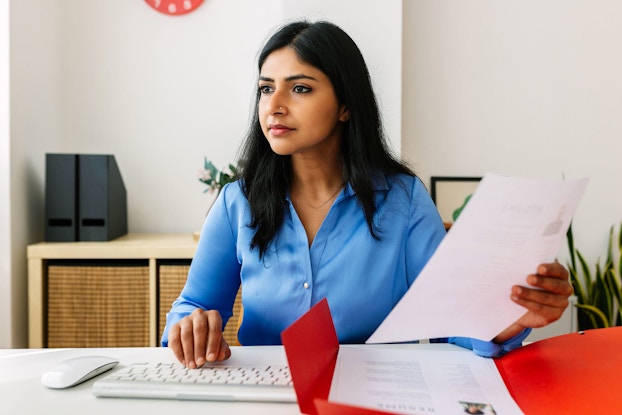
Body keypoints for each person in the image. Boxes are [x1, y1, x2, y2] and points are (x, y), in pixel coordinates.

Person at [161, 20, 573, 369]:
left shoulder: (404, 200)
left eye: (300, 89)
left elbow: (454, 322)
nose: (275, 106)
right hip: (268, 392)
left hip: (376, 394)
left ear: (346, 105)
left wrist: (513, 318)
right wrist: (191, 328)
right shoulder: (238, 202)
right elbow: (191, 305)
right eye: (266, 89)